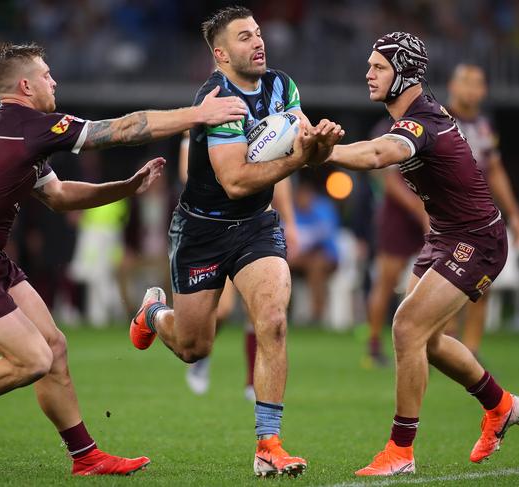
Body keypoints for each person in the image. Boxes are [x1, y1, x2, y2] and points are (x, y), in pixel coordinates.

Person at [0, 42, 247, 477]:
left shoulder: (2, 124)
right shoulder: (32, 127)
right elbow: (124, 129)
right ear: (26, 86)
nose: (55, 82)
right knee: (33, 359)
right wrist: (197, 114)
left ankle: (85, 456)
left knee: (54, 347)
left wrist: (124, 187)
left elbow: (59, 195)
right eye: (47, 75)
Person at [128, 6, 342, 477]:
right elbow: (237, 181)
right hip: (201, 230)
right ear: (221, 54)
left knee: (273, 320)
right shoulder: (216, 98)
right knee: (193, 347)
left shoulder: (282, 86)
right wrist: (301, 158)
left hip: (255, 225)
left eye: (259, 33)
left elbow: (306, 151)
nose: (258, 42)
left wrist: (322, 142)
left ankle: (268, 444)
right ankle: (152, 314)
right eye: (245, 38)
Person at [316, 32, 518, 476]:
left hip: (477, 239)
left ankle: (401, 452)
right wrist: (320, 150)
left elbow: (375, 155)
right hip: (448, 235)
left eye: (378, 67)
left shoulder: (419, 121)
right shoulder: (413, 115)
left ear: (403, 72)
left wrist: (319, 152)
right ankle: (501, 405)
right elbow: (373, 150)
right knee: (425, 340)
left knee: (406, 327)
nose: (367, 73)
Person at [179, 131, 300, 401]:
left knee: (264, 309)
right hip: (214, 229)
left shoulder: (267, 121)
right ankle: (201, 354)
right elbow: (188, 175)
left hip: (256, 225)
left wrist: (290, 221)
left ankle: (251, 382)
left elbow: (279, 177)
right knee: (219, 312)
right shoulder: (204, 122)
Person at [445, 64, 519, 355]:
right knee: (446, 282)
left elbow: (495, 169)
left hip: (479, 216)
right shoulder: (440, 119)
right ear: (452, 86)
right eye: (466, 82)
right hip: (446, 216)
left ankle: (471, 351)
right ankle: (447, 344)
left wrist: (513, 212)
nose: (472, 89)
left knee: (481, 284)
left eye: (477, 83)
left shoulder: (484, 126)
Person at [364, 118, 428, 366]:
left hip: (429, 208)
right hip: (397, 215)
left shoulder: (429, 123)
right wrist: (417, 207)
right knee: (386, 279)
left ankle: (433, 343)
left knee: (436, 278)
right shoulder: (385, 129)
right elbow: (388, 180)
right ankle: (373, 344)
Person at [287, 177, 340, 325]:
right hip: (298, 257)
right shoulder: (290, 209)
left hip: (325, 257)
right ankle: (285, 312)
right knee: (281, 265)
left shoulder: (323, 208)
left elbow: (324, 237)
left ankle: (317, 315)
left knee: (316, 265)